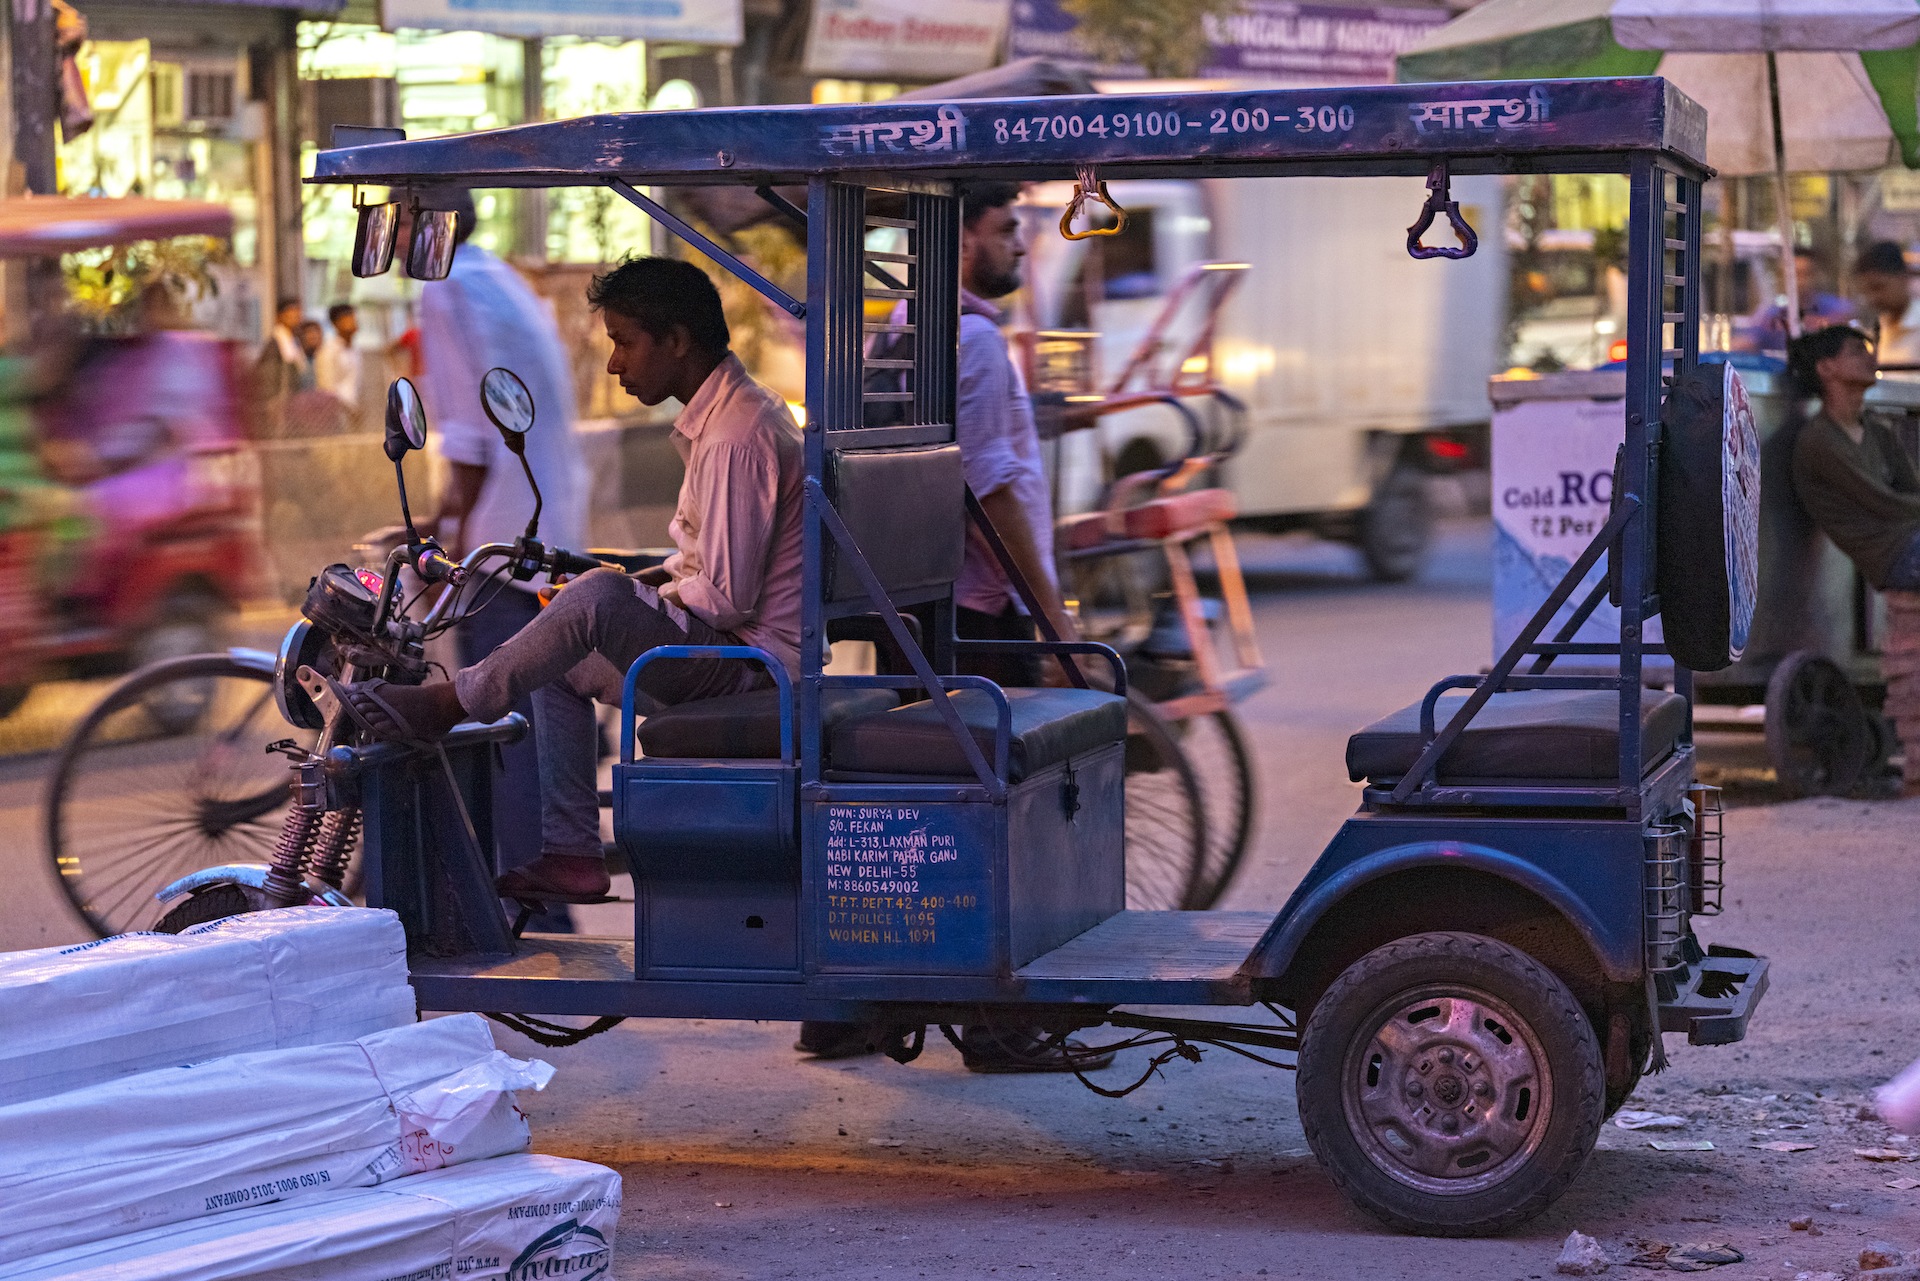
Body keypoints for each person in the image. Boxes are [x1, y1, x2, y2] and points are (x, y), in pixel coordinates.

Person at [333, 254, 803, 906]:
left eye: (624, 343)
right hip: (730, 650)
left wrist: (622, 595)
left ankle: (450, 705)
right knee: (562, 648)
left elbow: (723, 598)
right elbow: (701, 562)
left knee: (595, 599)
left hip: (753, 665)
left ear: (676, 340)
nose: (614, 364)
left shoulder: (735, 434)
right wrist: (622, 581)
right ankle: (573, 852)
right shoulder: (723, 420)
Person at [794, 183, 1107, 1074]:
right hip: (976, 608)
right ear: (960, 242)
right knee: (1002, 814)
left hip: (913, 609)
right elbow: (991, 488)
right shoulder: (971, 340)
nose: (1019, 248)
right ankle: (1001, 1023)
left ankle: (848, 1009)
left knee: (904, 812)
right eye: (1007, 231)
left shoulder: (895, 335)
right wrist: (1049, 616)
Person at [411, 190, 591, 928]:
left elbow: (470, 439)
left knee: (499, 733)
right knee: (519, 729)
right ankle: (525, 903)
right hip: (542, 536)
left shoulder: (445, 287)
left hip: (503, 551)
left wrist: (444, 542)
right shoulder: (497, 276)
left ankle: (536, 916)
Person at [1787, 325, 1920, 794]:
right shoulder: (1819, 441)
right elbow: (1884, 503)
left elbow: (1909, 493)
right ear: (1827, 369)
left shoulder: (1878, 432)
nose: (1869, 356)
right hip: (1892, 555)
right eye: (1856, 350)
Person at [1743, 246, 1856, 354]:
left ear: (1816, 276)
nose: (1799, 282)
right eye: (1792, 275)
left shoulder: (1838, 311)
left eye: (1805, 274)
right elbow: (1749, 343)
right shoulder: (1769, 315)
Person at [1854, 241, 1920, 374]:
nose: (1873, 298)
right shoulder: (1875, 330)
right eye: (1866, 291)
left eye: (1878, 287)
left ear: (1903, 277)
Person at [254, 298, 308, 399]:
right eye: (291, 312)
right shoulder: (275, 342)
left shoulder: (294, 339)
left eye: (298, 312)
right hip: (278, 397)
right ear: (280, 316)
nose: (295, 316)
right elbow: (269, 376)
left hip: (292, 397)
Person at [315, 302, 363, 408]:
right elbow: (326, 387)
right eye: (347, 318)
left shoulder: (355, 350)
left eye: (353, 317)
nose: (352, 322)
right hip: (335, 411)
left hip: (352, 410)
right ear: (335, 324)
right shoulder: (328, 350)